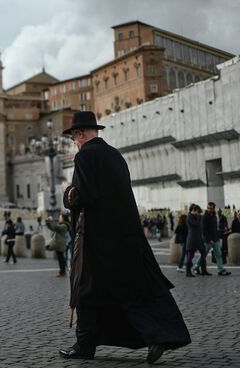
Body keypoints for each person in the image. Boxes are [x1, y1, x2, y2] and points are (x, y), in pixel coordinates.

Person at [59, 111, 190, 363]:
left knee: (86, 293)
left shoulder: (85, 156)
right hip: (126, 237)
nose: (74, 142)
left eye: (74, 137)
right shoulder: (115, 155)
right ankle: (156, 335)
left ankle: (84, 347)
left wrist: (68, 192)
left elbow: (83, 197)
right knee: (128, 292)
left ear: (80, 134)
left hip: (96, 240)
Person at [198, 202, 230, 276]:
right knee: (204, 255)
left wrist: (218, 237)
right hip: (208, 240)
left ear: (213, 208)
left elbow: (215, 228)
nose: (209, 209)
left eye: (211, 208)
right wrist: (209, 239)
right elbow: (204, 230)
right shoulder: (204, 217)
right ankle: (196, 267)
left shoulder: (214, 216)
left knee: (219, 255)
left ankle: (221, 270)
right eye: (208, 208)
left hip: (215, 239)